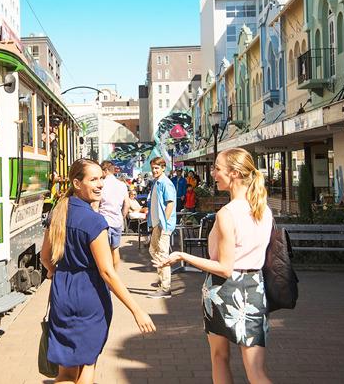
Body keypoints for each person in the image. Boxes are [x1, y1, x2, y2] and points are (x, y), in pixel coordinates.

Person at [156, 148, 273, 384]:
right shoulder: (264, 209)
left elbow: (225, 267)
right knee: (256, 371)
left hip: (224, 290)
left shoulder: (227, 213)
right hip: (255, 289)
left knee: (219, 358)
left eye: (218, 169)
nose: (213, 173)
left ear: (234, 173)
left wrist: (182, 256)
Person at [41, 159, 156, 384]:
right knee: (87, 367)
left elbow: (46, 257)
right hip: (89, 296)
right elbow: (107, 272)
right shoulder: (94, 222)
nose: (100, 184)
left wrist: (55, 273)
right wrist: (137, 310)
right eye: (93, 179)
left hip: (62, 293)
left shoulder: (58, 214)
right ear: (76, 183)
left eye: (101, 178)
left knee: (65, 373)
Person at [147, 157, 177, 298]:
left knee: (162, 254)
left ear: (163, 168)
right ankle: (163, 283)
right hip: (156, 224)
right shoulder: (156, 183)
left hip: (162, 225)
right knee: (154, 251)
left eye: (157, 168)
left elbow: (170, 203)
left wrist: (162, 223)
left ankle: (165, 287)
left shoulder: (165, 183)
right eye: (153, 168)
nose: (154, 170)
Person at [97, 161, 129, 270]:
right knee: (115, 249)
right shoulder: (122, 185)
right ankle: (114, 274)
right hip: (117, 221)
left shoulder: (101, 184)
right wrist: (122, 217)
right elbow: (127, 204)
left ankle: (106, 276)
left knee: (104, 251)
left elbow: (96, 203)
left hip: (103, 221)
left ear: (105, 171)